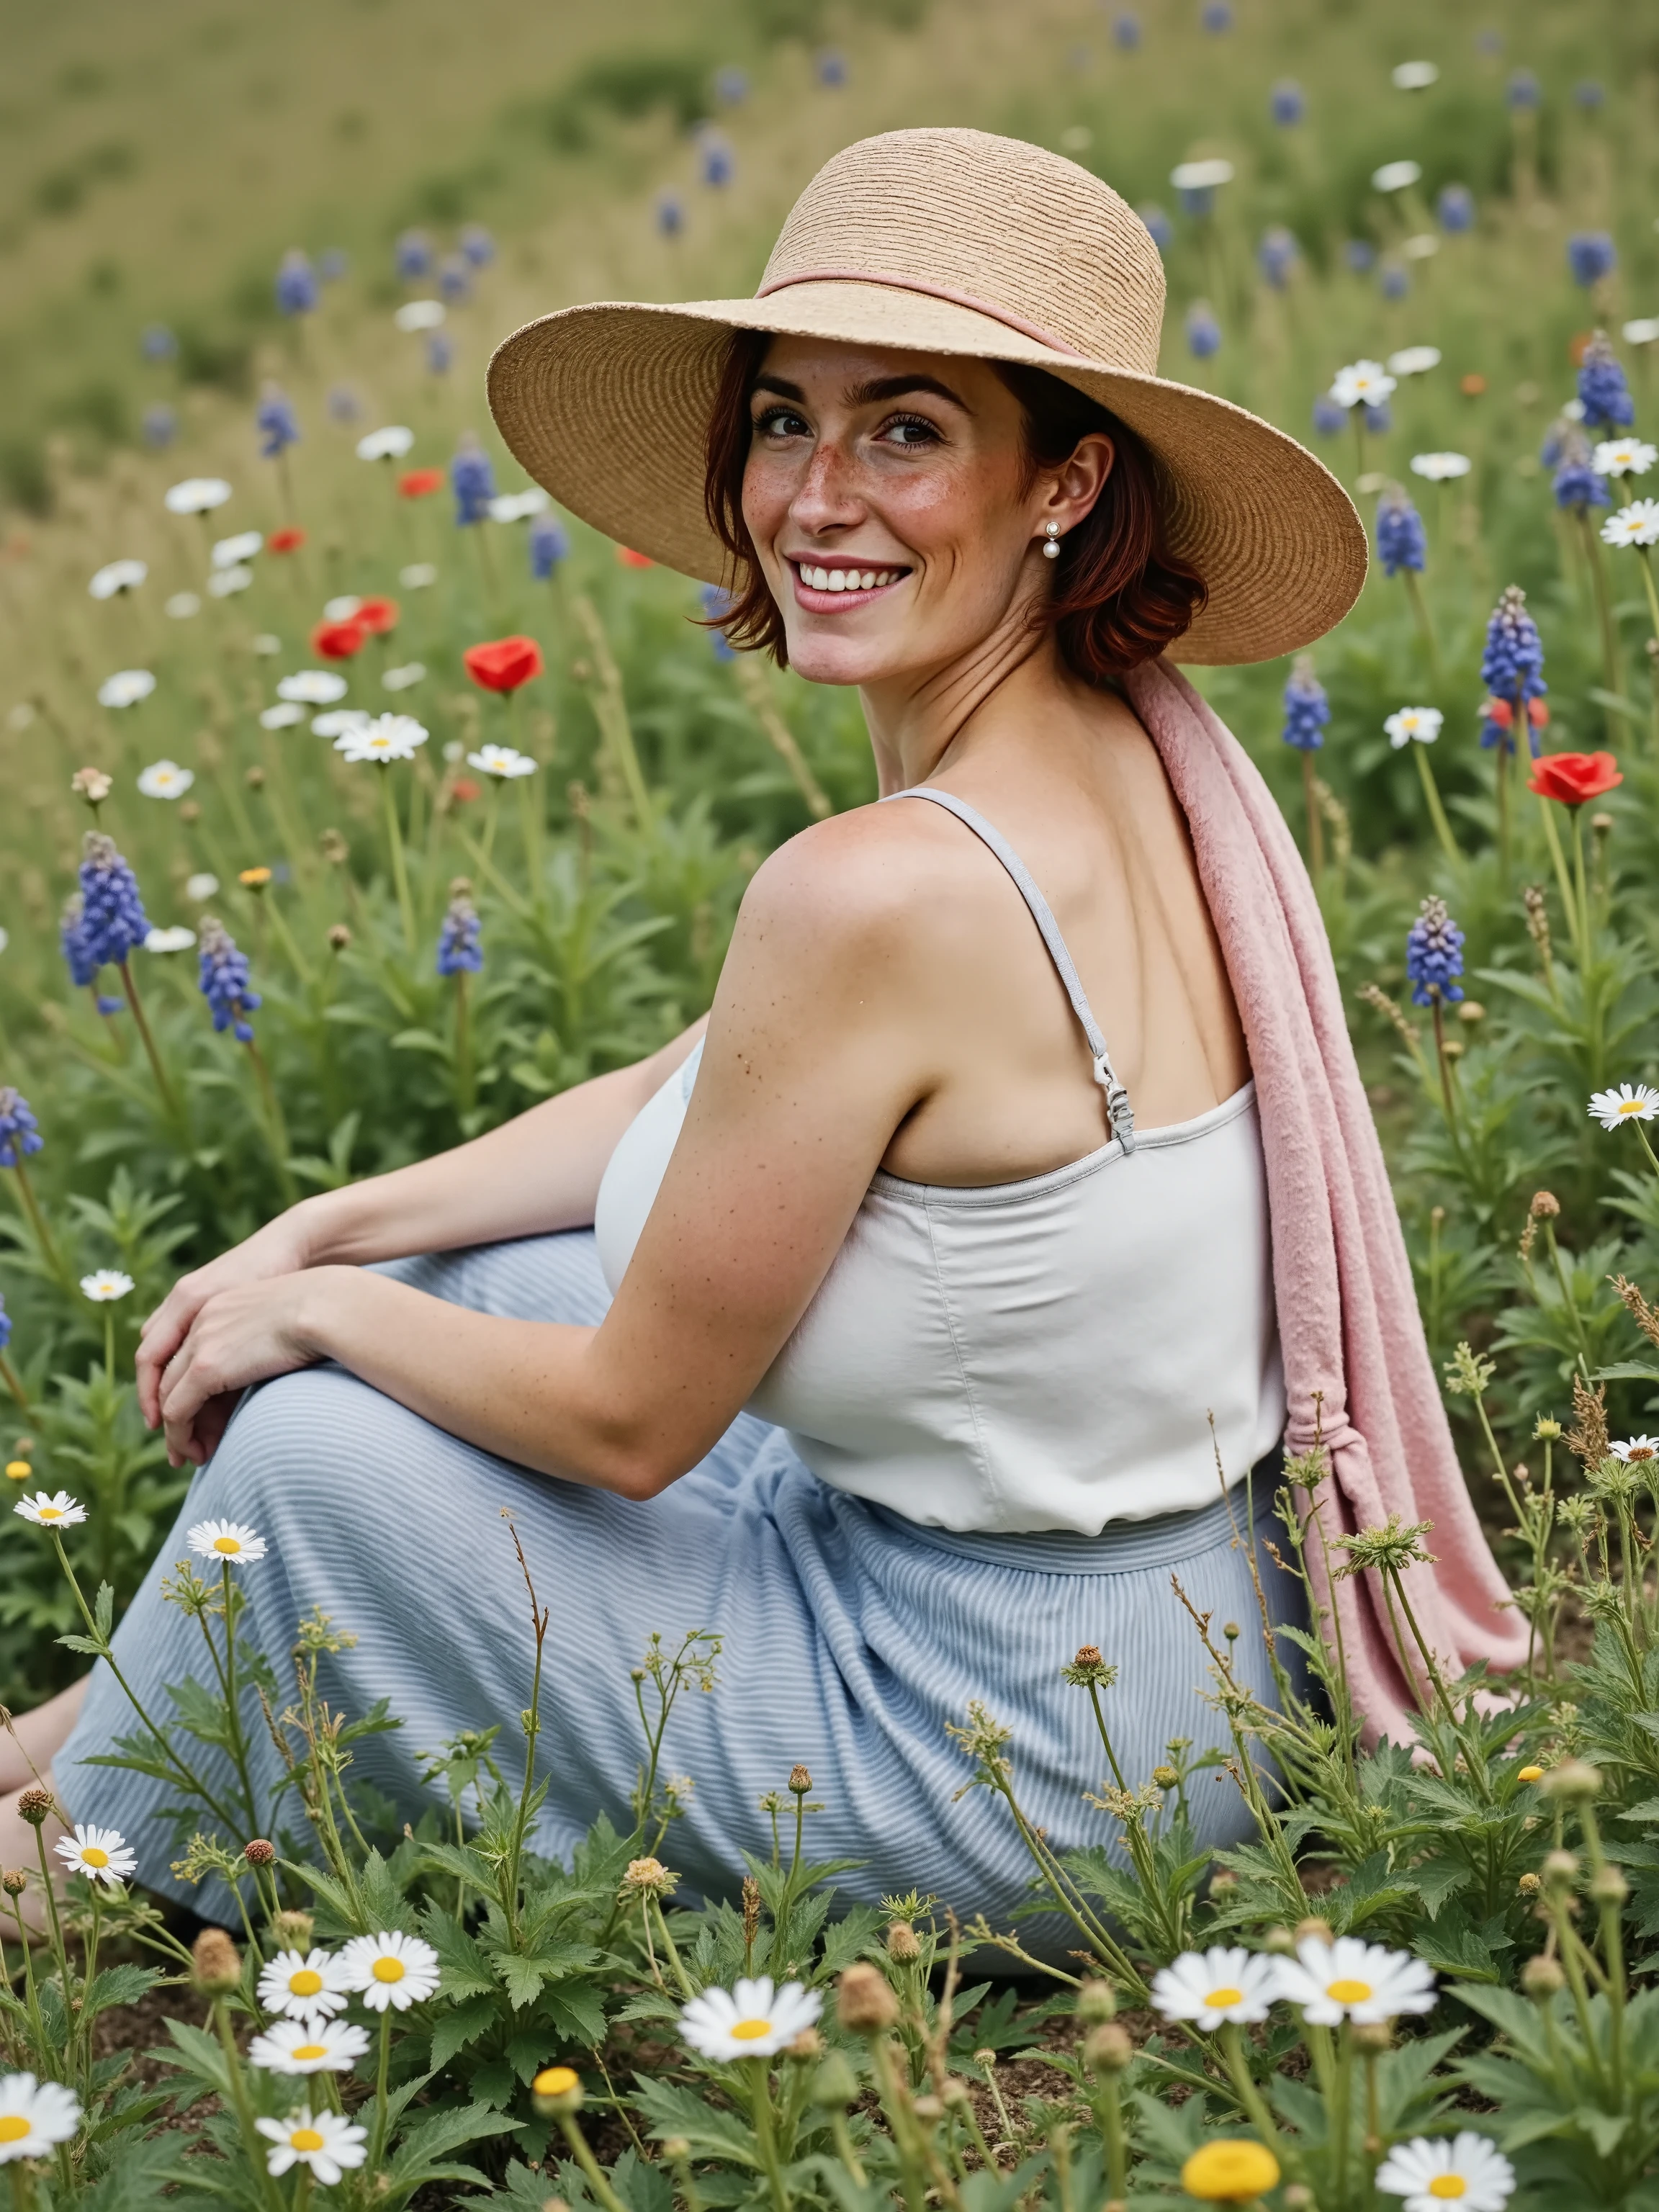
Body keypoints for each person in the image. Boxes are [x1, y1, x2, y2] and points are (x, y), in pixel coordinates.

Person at [23, 129, 1519, 1935]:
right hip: (1197, 1635)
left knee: (312, 1446)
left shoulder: (879, 892)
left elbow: (639, 1423)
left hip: (1022, 1753)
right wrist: (336, 1226)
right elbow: (699, 1085)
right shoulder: (1127, 745)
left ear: (1066, 481)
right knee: (493, 1282)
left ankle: (83, 1851)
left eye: (907, 429)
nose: (817, 496)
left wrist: (317, 1313)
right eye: (783, 421)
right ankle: (85, 1732)